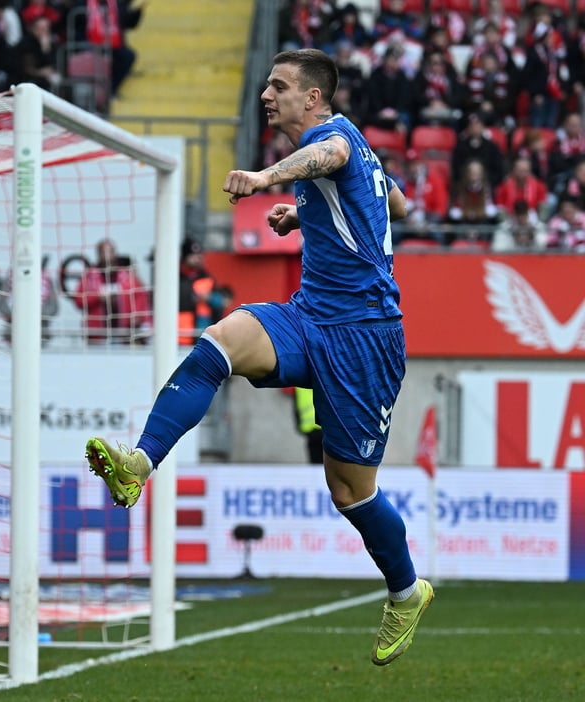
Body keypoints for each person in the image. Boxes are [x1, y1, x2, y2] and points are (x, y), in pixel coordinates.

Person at [84, 49, 433, 666]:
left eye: (280, 86)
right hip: (307, 315)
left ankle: (406, 591)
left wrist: (267, 179)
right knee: (217, 341)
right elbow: (395, 205)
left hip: (366, 337)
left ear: (314, 99)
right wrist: (306, 210)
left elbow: (330, 157)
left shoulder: (333, 138)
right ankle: (139, 463)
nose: (267, 95)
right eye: (266, 84)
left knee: (350, 492)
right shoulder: (353, 155)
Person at [71, 237, 152, 345]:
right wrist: (97, 297)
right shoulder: (89, 277)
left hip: (125, 336)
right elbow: (78, 300)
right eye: (103, 252)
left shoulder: (127, 277)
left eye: (110, 251)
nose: (107, 255)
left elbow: (141, 298)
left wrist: (140, 320)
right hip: (97, 336)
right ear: (98, 254)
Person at [177, 239, 228, 346]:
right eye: (193, 256)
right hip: (179, 337)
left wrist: (209, 298)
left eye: (200, 255)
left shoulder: (206, 277)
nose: (198, 259)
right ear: (185, 257)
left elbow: (221, 302)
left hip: (202, 335)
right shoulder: (175, 277)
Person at [293, 386, 323, 464]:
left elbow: (296, 407)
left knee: (315, 462)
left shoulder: (299, 385)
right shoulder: (326, 380)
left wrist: (299, 425)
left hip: (310, 429)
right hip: (324, 428)